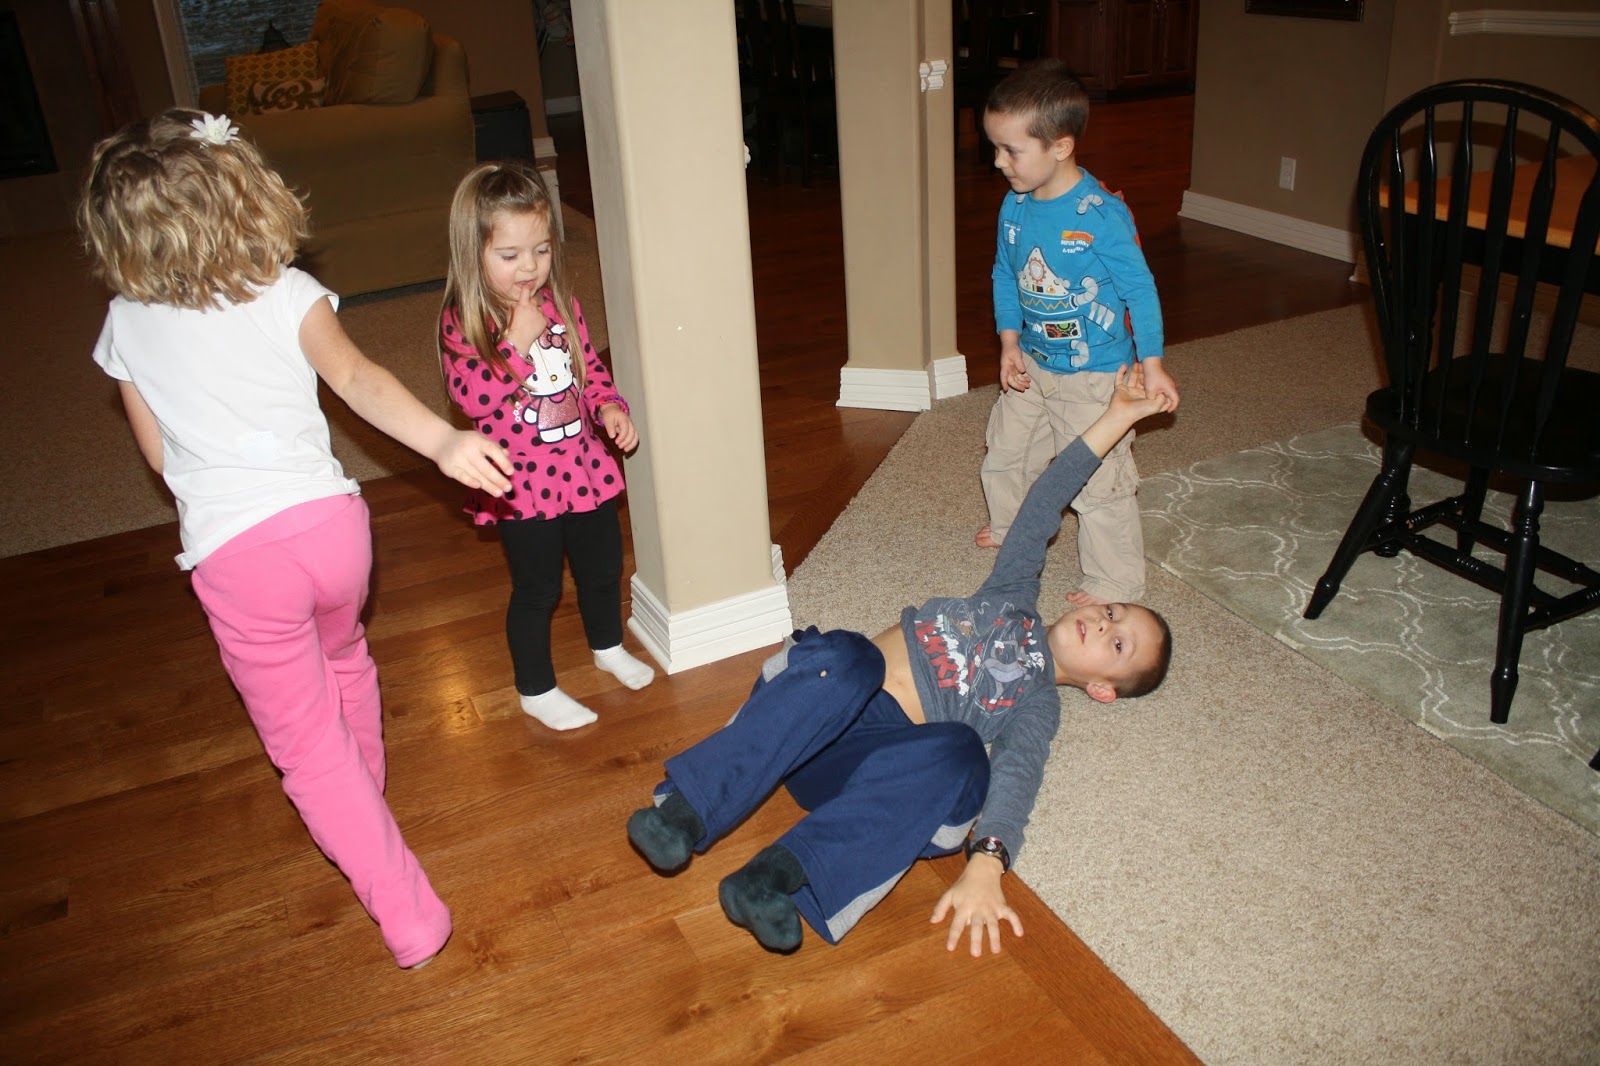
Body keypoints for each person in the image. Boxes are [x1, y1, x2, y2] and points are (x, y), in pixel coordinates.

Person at [79, 109, 515, 969]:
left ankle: (407, 912)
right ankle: (366, 797)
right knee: (344, 654)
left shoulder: (126, 323)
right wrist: (443, 442)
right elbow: (356, 377)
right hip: (334, 532)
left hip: (241, 558)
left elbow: (160, 458)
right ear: (244, 192)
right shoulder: (286, 291)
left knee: (306, 751)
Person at [627, 364, 1174, 955]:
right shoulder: (1011, 594)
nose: (1106, 623)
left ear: (1101, 688)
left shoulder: (1037, 704)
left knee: (965, 754)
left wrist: (988, 862)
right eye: (1114, 611)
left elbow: (1019, 777)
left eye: (1118, 644)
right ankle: (685, 813)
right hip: (813, 708)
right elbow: (1046, 499)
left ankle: (777, 878)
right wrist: (1117, 416)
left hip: (859, 775)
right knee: (853, 657)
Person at [439, 161, 653, 732]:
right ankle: (536, 689)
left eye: (541, 250)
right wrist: (515, 340)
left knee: (602, 567)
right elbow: (471, 398)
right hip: (521, 484)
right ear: (474, 254)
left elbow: (588, 371)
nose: (530, 267)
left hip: (582, 468)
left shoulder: (561, 305)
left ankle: (607, 646)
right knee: (538, 589)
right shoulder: (465, 322)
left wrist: (610, 407)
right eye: (510, 255)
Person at [977, 58, 1180, 608]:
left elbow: (1140, 290)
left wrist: (1153, 362)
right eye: (995, 147)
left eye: (1011, 150)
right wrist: (1009, 341)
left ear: (1060, 147)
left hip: (1094, 376)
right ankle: (1015, 530)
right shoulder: (1015, 206)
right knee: (1007, 451)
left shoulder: (1101, 216)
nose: (998, 162)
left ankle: (1115, 579)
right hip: (1033, 361)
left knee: (1097, 481)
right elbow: (1005, 275)